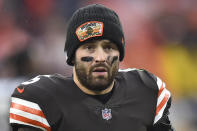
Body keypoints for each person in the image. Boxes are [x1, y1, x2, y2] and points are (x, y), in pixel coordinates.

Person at [9, 4, 174, 131]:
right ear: (72, 55)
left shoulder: (146, 90)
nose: (100, 58)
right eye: (89, 48)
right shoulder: (41, 98)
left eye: (108, 47)